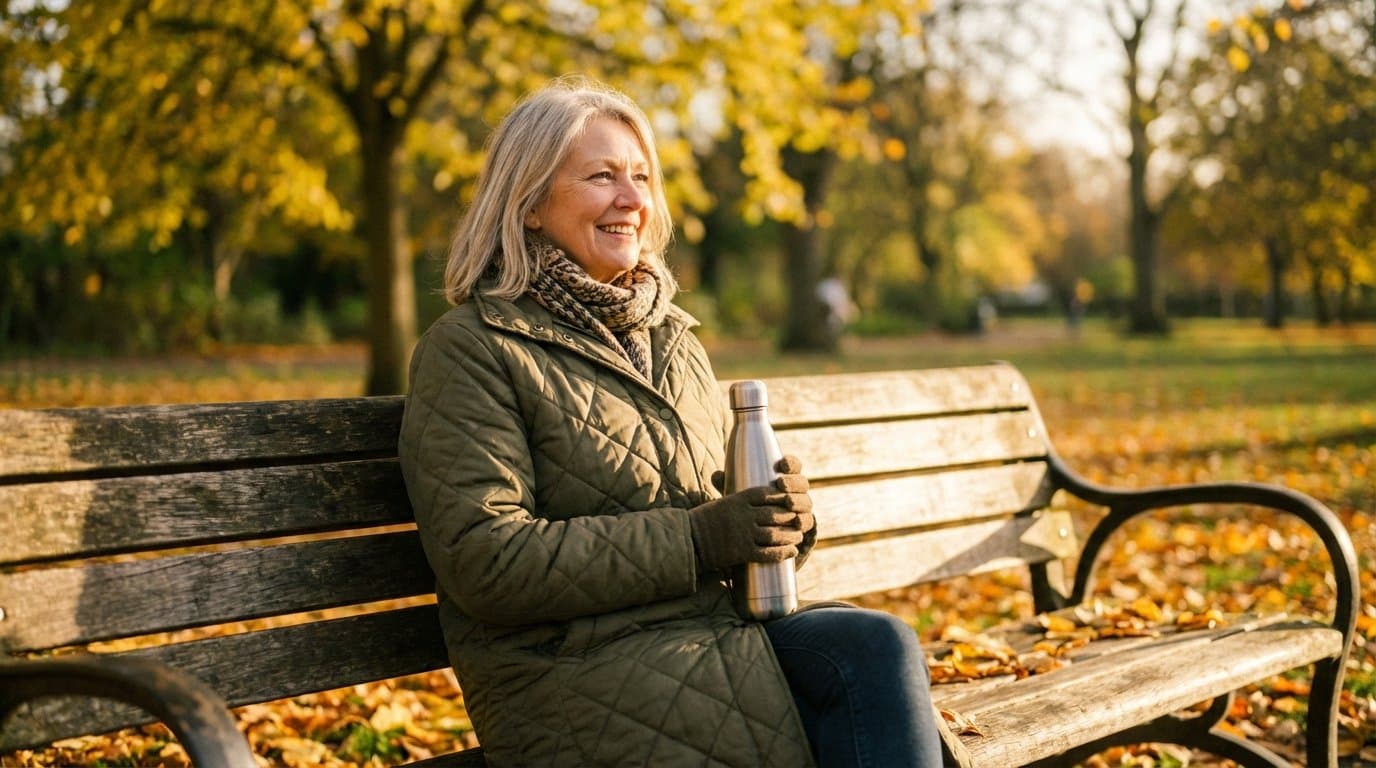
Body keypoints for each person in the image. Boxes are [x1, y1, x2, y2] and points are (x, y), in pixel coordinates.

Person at [398, 75, 943, 768]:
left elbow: (717, 515)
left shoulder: (672, 339)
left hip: (714, 636)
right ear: (529, 203)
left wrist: (780, 523)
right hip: (577, 669)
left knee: (875, 648)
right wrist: (699, 538)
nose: (632, 199)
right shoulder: (473, 349)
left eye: (641, 177)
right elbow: (489, 561)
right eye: (602, 176)